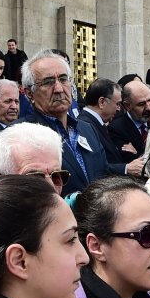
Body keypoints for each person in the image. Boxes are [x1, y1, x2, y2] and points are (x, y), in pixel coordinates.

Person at [16, 49, 108, 195]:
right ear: (29, 93)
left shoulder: (87, 129)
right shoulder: (20, 135)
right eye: (48, 82)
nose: (59, 89)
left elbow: (104, 174)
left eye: (63, 79)